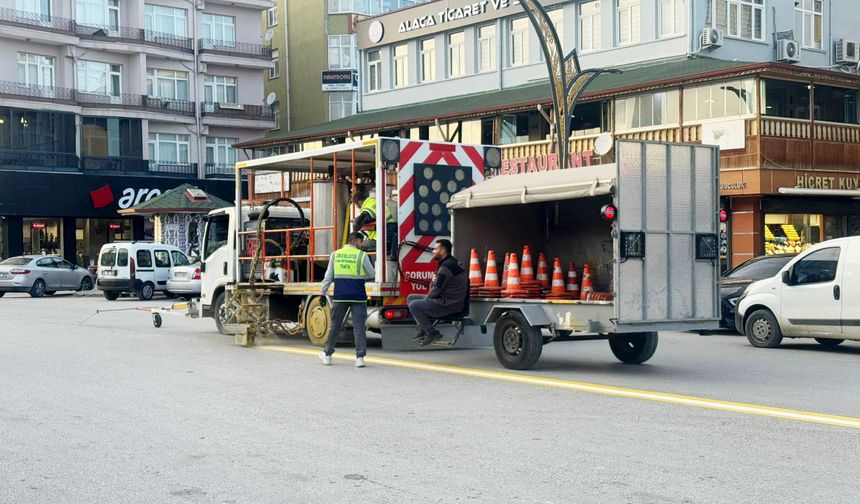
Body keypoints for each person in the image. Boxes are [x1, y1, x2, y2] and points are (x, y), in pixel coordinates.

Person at [319, 232, 376, 368]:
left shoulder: (335, 254)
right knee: (359, 327)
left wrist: (322, 293)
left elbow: (328, 276)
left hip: (340, 296)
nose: (362, 245)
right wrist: (362, 277)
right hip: (358, 296)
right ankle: (360, 358)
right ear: (355, 241)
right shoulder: (361, 256)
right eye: (361, 242)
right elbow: (372, 274)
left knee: (335, 326)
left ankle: (327, 355)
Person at [407, 239, 468, 346]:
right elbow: (435, 286)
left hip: (449, 304)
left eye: (435, 249)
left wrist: (426, 300)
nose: (433, 251)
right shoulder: (451, 262)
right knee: (411, 297)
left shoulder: (446, 267)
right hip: (450, 300)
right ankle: (424, 328)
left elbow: (436, 289)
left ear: (443, 251)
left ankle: (432, 333)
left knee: (414, 305)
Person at [351, 188, 397, 257]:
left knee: (357, 247)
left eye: (356, 205)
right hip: (388, 237)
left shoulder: (368, 207)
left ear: (359, 202)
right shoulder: (374, 202)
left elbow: (357, 224)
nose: (357, 207)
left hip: (380, 240)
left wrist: (353, 236)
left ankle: (368, 268)